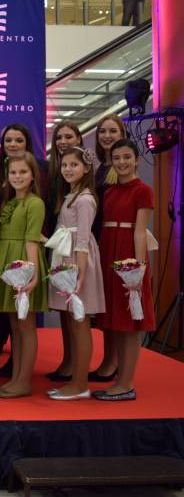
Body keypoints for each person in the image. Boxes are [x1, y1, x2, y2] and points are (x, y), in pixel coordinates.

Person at [0, 124, 48, 374]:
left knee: (25, 324)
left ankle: (24, 378)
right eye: (13, 172)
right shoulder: (11, 200)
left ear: (33, 175)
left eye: (23, 172)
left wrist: (30, 274)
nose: (18, 176)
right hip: (6, 259)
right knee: (14, 322)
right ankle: (16, 374)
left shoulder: (35, 203)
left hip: (23, 263)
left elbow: (32, 240)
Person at [95, 139, 154, 401]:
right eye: (117, 158)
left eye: (127, 157)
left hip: (128, 257)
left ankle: (127, 383)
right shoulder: (109, 192)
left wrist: (138, 269)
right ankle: (120, 379)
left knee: (131, 322)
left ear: (137, 159)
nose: (122, 162)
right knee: (117, 321)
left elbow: (140, 233)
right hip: (109, 250)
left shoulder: (143, 190)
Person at [46, 147, 105, 400]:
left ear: (87, 168)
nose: (68, 169)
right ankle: (75, 379)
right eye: (65, 165)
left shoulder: (85, 199)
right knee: (72, 323)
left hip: (77, 262)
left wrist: (80, 274)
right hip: (65, 256)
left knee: (80, 324)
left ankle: (81, 383)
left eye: (74, 165)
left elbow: (82, 240)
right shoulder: (71, 195)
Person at [44, 120, 83, 382]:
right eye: (59, 137)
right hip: (57, 245)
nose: (63, 141)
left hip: (74, 249)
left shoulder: (82, 189)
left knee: (75, 312)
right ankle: (68, 361)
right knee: (64, 312)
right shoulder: (53, 173)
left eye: (69, 136)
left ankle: (77, 370)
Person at [90, 114, 127, 382]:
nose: (106, 135)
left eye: (112, 131)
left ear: (122, 133)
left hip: (115, 241)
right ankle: (108, 359)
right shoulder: (102, 168)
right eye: (102, 130)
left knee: (115, 306)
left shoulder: (120, 169)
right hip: (101, 240)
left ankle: (115, 363)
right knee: (106, 307)